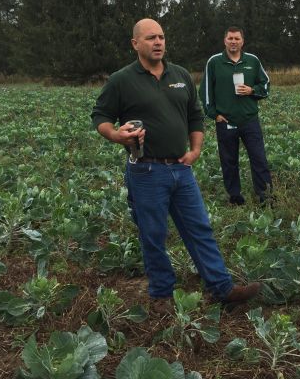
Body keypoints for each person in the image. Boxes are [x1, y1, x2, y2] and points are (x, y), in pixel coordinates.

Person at [91, 18, 260, 308]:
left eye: (161, 37)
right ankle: (161, 294)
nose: (158, 42)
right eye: (150, 38)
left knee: (199, 229)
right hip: (146, 170)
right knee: (153, 234)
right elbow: (100, 116)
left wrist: (194, 150)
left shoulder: (179, 74)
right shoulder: (122, 80)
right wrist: (116, 135)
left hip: (181, 169)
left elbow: (195, 115)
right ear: (135, 44)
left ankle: (222, 288)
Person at [200, 27, 272, 205]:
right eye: (230, 38)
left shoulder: (252, 61)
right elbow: (206, 91)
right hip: (226, 121)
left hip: (249, 121)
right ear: (225, 41)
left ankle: (265, 197)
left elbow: (266, 85)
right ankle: (235, 197)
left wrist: (252, 90)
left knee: (259, 159)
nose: (233, 41)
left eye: (237, 39)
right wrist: (213, 114)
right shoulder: (214, 62)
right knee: (229, 161)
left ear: (242, 41)